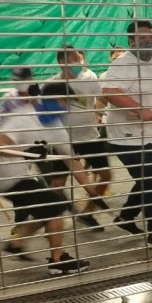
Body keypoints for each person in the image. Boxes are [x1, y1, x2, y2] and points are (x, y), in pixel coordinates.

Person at [0, 81, 95, 275]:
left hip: (22, 175)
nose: (65, 107)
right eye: (63, 101)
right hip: (6, 177)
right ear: (49, 99)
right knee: (56, 206)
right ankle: (57, 260)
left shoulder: (55, 125)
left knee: (51, 205)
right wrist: (31, 154)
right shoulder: (23, 116)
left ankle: (17, 242)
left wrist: (92, 191)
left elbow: (71, 161)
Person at [100, 21, 152, 250]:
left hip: (149, 136)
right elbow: (109, 92)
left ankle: (127, 216)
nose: (148, 41)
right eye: (142, 37)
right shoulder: (123, 63)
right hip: (128, 137)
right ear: (131, 41)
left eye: (150, 36)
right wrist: (139, 109)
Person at [51, 45, 112, 230]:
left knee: (105, 175)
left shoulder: (89, 78)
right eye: (74, 59)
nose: (79, 62)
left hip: (90, 137)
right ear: (62, 62)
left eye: (79, 58)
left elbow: (101, 97)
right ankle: (47, 217)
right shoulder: (53, 84)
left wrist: (97, 113)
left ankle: (87, 212)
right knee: (58, 183)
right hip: (65, 140)